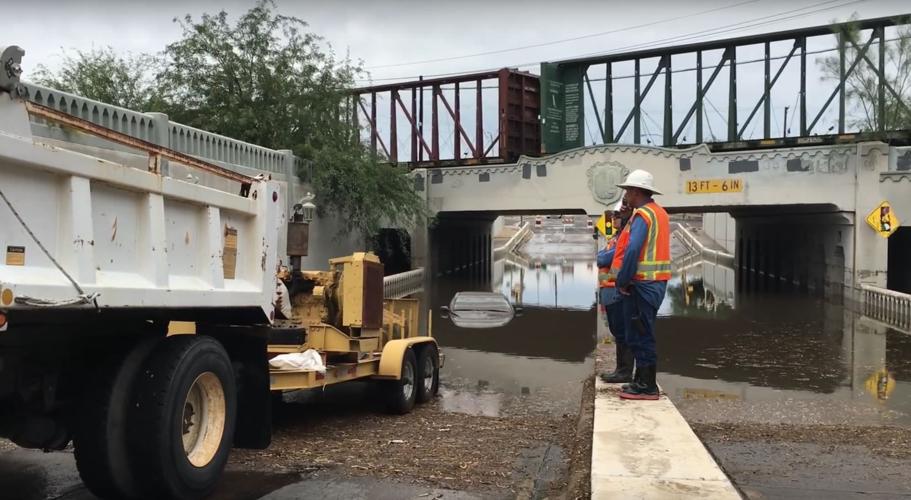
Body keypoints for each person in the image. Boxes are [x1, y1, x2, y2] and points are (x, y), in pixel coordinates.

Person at [608, 169, 671, 400]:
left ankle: (646, 386)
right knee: (641, 331)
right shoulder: (659, 213)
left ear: (636, 191)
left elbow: (633, 250)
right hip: (653, 284)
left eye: (627, 191)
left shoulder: (644, 215)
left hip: (642, 285)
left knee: (641, 334)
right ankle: (640, 380)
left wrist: (622, 281)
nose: (625, 196)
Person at [598, 197, 634, 383]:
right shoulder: (616, 237)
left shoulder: (626, 236)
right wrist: (604, 256)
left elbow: (603, 259)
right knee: (617, 332)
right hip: (609, 291)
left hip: (616, 290)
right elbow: (602, 256)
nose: (613, 219)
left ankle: (625, 372)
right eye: (613, 216)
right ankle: (620, 369)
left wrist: (604, 257)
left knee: (622, 333)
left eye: (617, 216)